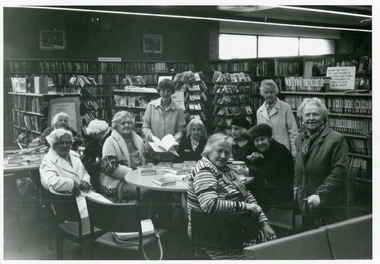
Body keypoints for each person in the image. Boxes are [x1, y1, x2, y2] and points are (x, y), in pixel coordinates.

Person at [187, 133, 276, 260]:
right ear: (208, 150)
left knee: (272, 245)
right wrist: (245, 206)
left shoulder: (226, 169)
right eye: (219, 151)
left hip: (231, 228)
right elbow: (209, 205)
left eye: (227, 152)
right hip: (213, 234)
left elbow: (246, 195)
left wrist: (264, 223)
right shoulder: (205, 170)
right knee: (266, 252)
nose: (223, 156)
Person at [294, 98, 348, 230]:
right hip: (307, 203)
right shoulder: (300, 139)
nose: (311, 118)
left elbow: (340, 172)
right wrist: (296, 186)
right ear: (301, 118)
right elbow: (298, 167)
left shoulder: (336, 139)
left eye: (315, 114)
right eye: (307, 115)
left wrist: (320, 195)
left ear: (323, 117)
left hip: (328, 204)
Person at [40, 128, 92, 218]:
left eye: (68, 142)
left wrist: (85, 181)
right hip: (68, 201)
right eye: (61, 143)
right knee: (100, 215)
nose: (65, 145)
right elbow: (49, 182)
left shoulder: (73, 154)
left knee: (108, 208)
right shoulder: (47, 160)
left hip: (85, 195)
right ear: (53, 145)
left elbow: (84, 172)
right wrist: (71, 184)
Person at [100, 111, 147, 201]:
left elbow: (146, 157)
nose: (127, 125)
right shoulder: (110, 141)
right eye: (123, 123)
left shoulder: (138, 139)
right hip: (117, 182)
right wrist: (133, 174)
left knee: (155, 190)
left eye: (129, 123)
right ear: (116, 126)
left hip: (139, 178)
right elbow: (110, 168)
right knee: (145, 192)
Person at [245, 123, 294, 207]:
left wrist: (248, 171)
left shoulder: (279, 151)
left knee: (248, 193)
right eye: (256, 140)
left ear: (269, 138)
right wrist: (250, 159)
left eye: (262, 139)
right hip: (271, 187)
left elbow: (268, 171)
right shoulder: (266, 148)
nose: (260, 143)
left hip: (282, 190)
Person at [142, 78, 186, 164]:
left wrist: (174, 139)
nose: (165, 93)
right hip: (151, 151)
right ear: (159, 91)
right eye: (163, 90)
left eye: (168, 90)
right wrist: (152, 137)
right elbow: (145, 127)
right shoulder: (151, 106)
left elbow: (180, 131)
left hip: (169, 152)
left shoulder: (178, 109)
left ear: (172, 92)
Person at [256, 79, 298, 157]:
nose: (268, 95)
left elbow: (293, 131)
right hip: (266, 151)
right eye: (266, 92)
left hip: (283, 149)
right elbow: (259, 134)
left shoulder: (285, 107)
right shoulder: (259, 111)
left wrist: (294, 152)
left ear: (276, 92)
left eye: (271, 92)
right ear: (262, 94)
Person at [82, 119, 112, 191]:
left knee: (92, 168)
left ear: (98, 133)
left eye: (94, 135)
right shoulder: (101, 135)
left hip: (108, 162)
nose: (93, 137)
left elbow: (101, 152)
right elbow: (92, 145)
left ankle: (95, 186)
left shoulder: (108, 137)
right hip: (103, 160)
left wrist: (88, 150)